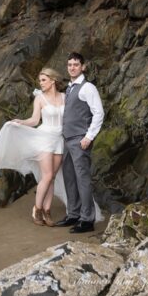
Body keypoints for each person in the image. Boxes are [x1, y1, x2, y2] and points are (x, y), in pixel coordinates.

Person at [0, 68, 67, 226]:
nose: (41, 83)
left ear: (53, 80)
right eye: (40, 81)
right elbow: (34, 120)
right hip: (44, 139)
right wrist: (20, 122)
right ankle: (37, 209)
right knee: (47, 175)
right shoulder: (40, 98)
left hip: (59, 140)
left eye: (43, 80)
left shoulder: (65, 97)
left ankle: (47, 211)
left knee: (51, 178)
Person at [55, 52, 105, 234]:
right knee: (69, 178)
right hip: (67, 140)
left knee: (82, 180)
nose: (72, 67)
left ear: (83, 67)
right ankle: (73, 214)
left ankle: (87, 219)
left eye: (76, 64)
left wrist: (89, 137)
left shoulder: (88, 88)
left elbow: (99, 113)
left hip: (79, 140)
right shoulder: (69, 88)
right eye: (69, 65)